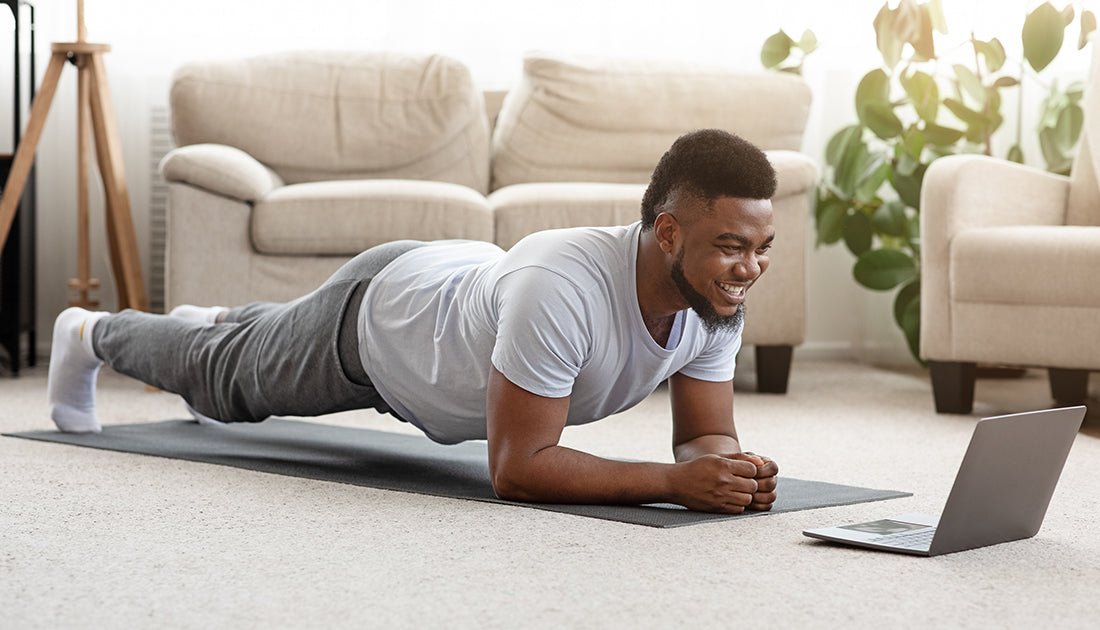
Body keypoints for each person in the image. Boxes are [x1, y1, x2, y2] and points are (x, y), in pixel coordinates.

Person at [47, 128, 780, 514]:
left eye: (761, 249)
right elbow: (518, 469)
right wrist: (674, 484)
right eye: (731, 246)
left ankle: (221, 319)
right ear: (668, 233)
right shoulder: (563, 286)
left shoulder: (711, 298)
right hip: (379, 327)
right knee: (222, 385)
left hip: (450, 294)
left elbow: (703, 436)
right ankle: (88, 333)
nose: (749, 268)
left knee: (249, 342)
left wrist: (729, 470)